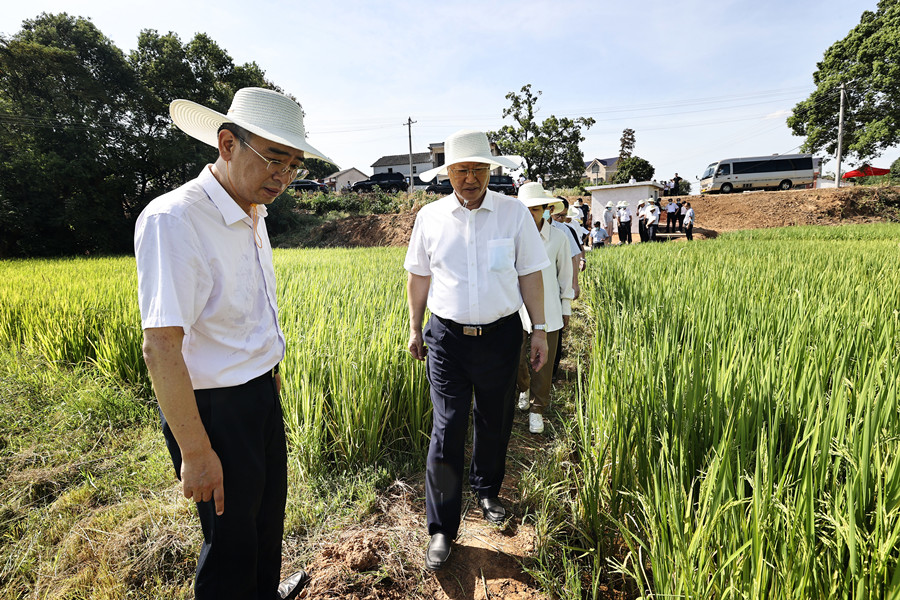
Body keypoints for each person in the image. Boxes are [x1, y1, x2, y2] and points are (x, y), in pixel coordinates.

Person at [134, 87, 332, 600]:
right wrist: (196, 451)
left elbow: (247, 309)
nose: (284, 176)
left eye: (294, 165)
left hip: (260, 392)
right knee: (230, 542)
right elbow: (161, 346)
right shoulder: (175, 219)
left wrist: (269, 372)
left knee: (267, 518)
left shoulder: (253, 211)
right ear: (227, 144)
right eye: (275, 159)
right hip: (215, 410)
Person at [405, 129, 550, 572]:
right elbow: (418, 275)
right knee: (447, 427)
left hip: (501, 336)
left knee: (495, 418)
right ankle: (441, 528)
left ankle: (487, 490)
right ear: (447, 172)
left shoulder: (513, 214)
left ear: (491, 170)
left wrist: (539, 330)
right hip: (446, 339)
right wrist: (414, 328)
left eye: (479, 169)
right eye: (461, 170)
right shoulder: (430, 217)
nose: (471, 178)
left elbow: (530, 273)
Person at [514, 184, 574, 435]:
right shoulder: (511, 236)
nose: (531, 214)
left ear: (547, 210)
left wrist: (566, 306)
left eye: (536, 209)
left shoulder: (559, 238)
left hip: (549, 309)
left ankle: (537, 409)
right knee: (516, 358)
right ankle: (523, 387)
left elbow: (565, 275)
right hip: (516, 309)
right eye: (525, 210)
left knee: (543, 363)